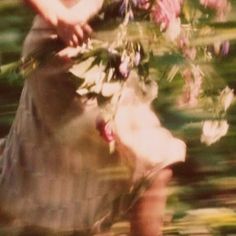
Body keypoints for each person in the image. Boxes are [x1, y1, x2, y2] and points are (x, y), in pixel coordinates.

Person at [0, 0, 185, 235]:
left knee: (38, 174)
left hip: (112, 56)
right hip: (63, 55)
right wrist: (59, 16)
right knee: (154, 162)